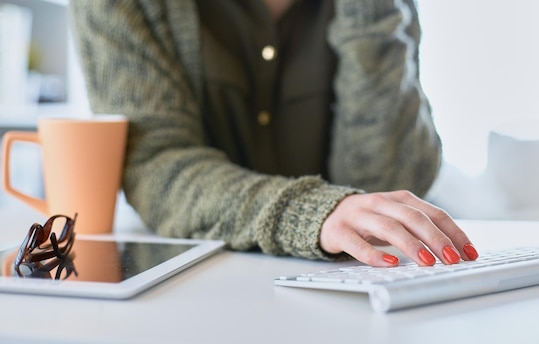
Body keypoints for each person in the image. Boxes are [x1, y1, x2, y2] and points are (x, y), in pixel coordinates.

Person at [69, 0, 479, 267]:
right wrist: (311, 212)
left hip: (358, 293)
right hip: (195, 289)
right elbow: (157, 166)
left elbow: (385, 199)